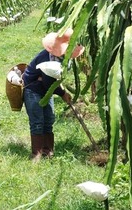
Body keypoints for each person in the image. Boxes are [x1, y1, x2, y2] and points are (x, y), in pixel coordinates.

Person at [22, 28, 84, 162]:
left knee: (49, 119)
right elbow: (48, 82)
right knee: (37, 121)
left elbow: (51, 82)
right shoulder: (46, 59)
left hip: (46, 89)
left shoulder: (61, 58)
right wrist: (62, 93)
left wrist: (60, 90)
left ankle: (48, 151)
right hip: (33, 89)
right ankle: (36, 154)